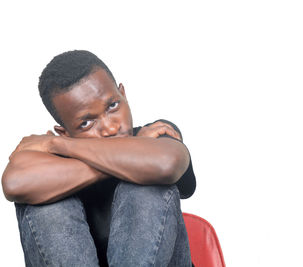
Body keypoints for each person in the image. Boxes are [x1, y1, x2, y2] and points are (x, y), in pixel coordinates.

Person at [1, 50, 196, 267]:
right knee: (44, 203)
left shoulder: (155, 134)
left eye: (113, 106)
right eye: (86, 123)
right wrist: (130, 152)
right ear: (64, 132)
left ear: (123, 94)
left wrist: (54, 143)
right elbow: (14, 183)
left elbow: (166, 164)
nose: (111, 128)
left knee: (145, 185)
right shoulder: (142, 144)